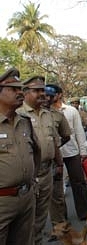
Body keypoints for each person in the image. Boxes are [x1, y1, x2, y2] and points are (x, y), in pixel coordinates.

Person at [17, 76, 64, 245]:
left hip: (47, 172)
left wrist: (59, 164)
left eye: (43, 90)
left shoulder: (47, 114)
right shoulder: (18, 114)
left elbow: (55, 141)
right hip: (29, 177)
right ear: (25, 93)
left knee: (40, 220)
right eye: (37, 90)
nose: (42, 94)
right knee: (26, 223)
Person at [46, 84, 87, 222]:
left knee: (79, 183)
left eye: (51, 95)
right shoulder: (44, 112)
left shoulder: (70, 111)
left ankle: (84, 213)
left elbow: (79, 131)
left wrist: (83, 151)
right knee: (57, 188)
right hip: (53, 154)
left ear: (59, 95)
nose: (48, 97)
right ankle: (60, 220)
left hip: (72, 151)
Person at [0, 68, 40, 245]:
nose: (20, 92)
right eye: (14, 89)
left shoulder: (24, 122)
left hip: (26, 198)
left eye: (20, 88)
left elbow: (36, 154)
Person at [42, 85, 72, 241]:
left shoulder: (57, 116)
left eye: (50, 96)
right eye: (44, 95)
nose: (46, 98)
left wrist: (54, 149)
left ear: (55, 98)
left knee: (57, 199)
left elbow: (66, 135)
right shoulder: (23, 114)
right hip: (32, 166)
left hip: (53, 163)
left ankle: (58, 230)